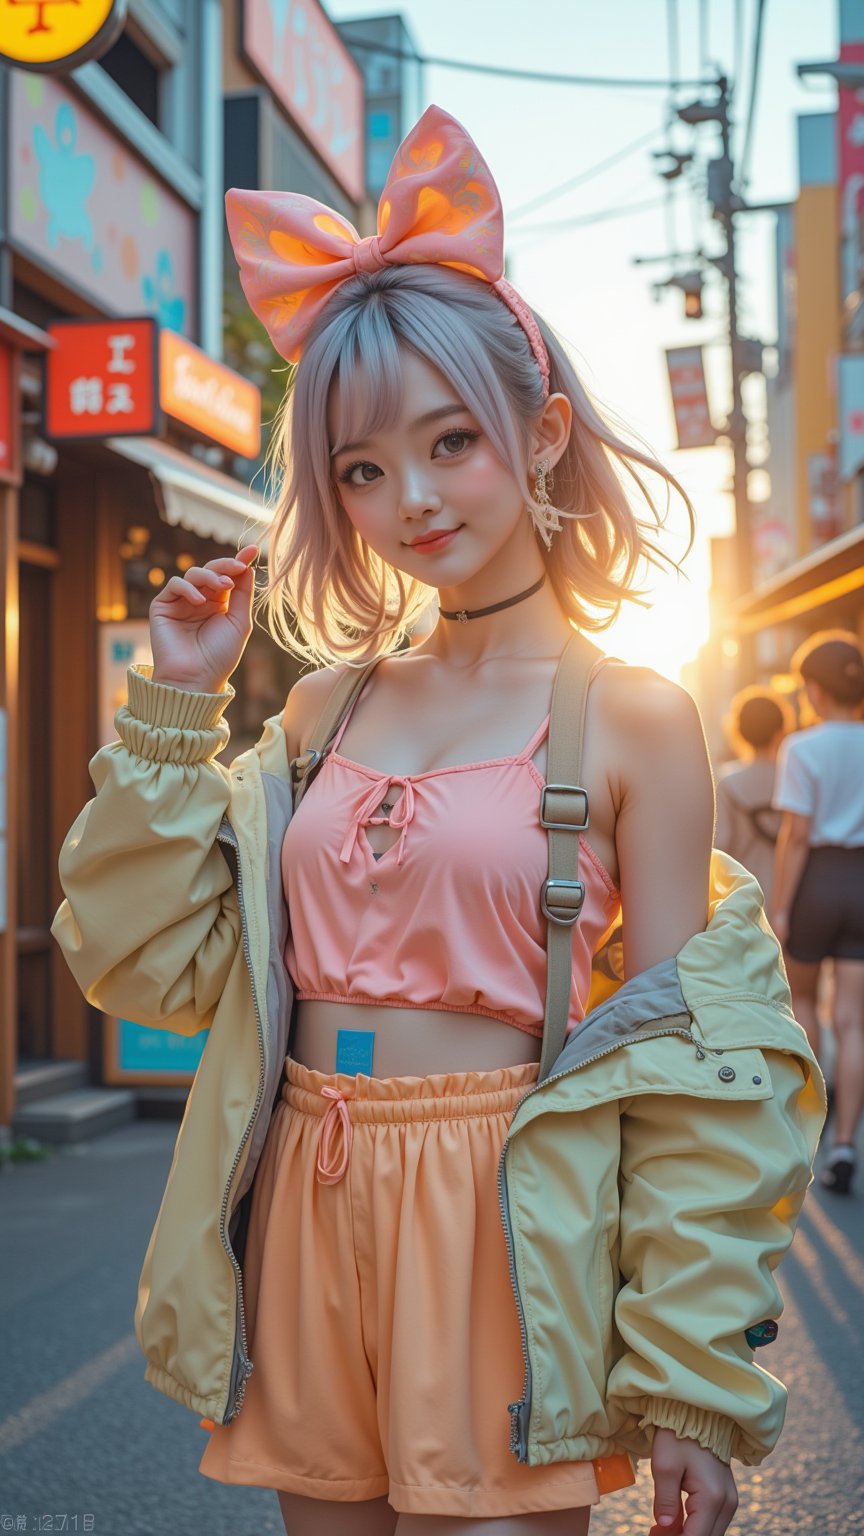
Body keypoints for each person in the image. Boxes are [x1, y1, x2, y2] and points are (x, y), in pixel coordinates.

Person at [51, 108, 823, 1536]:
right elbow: (146, 965)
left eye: (449, 442)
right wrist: (174, 703)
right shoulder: (321, 710)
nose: (409, 499)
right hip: (301, 1178)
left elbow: (697, 1074)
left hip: (502, 1203)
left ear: (536, 433)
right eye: (360, 468)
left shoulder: (632, 715)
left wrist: (691, 1388)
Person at [771, 630, 864, 1195]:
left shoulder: (800, 748)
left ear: (813, 689)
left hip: (817, 884)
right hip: (863, 881)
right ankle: (848, 1142)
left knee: (803, 1001)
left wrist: (780, 906)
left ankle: (811, 1124)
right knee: (854, 1020)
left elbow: (796, 836)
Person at [714, 686, 794, 906]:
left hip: (743, 896)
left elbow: (721, 845)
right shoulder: (794, 777)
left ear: (738, 730)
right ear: (781, 729)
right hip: (792, 895)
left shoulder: (727, 783)